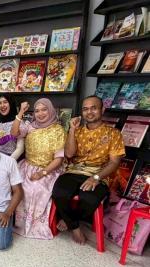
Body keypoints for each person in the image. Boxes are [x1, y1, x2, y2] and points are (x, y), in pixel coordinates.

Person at [51, 95, 125, 245]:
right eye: (85, 109)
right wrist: (72, 130)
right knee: (59, 193)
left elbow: (114, 162)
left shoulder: (114, 134)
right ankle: (75, 227)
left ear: (102, 110)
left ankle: (69, 220)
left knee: (90, 198)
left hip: (99, 174)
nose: (89, 112)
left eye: (93, 108)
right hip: (74, 171)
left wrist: (96, 178)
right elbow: (69, 154)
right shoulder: (77, 131)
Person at [10, 99, 65, 239]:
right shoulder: (30, 126)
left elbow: (59, 159)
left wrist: (42, 173)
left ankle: (32, 225)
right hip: (27, 166)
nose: (40, 113)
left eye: (44, 110)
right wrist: (21, 112)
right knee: (13, 184)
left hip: (49, 169)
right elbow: (14, 133)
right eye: (37, 111)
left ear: (51, 110)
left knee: (35, 188)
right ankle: (12, 220)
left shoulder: (58, 130)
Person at [0, 95, 24, 160]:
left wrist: (6, 163)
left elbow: (20, 149)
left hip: (12, 160)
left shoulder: (18, 122)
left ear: (11, 104)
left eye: (5, 102)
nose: (2, 105)